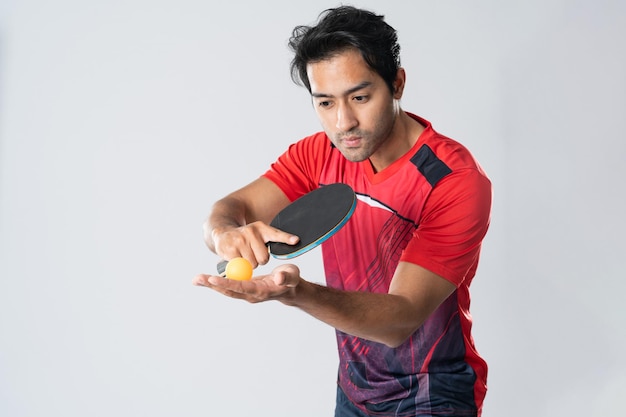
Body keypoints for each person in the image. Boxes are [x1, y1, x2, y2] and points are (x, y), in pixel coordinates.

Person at [193, 6, 492, 417]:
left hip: (434, 394)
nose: (343, 122)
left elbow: (401, 318)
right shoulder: (318, 154)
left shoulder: (453, 180)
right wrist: (225, 232)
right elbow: (230, 208)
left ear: (398, 83)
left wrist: (299, 293)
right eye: (325, 103)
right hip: (355, 391)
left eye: (360, 97)